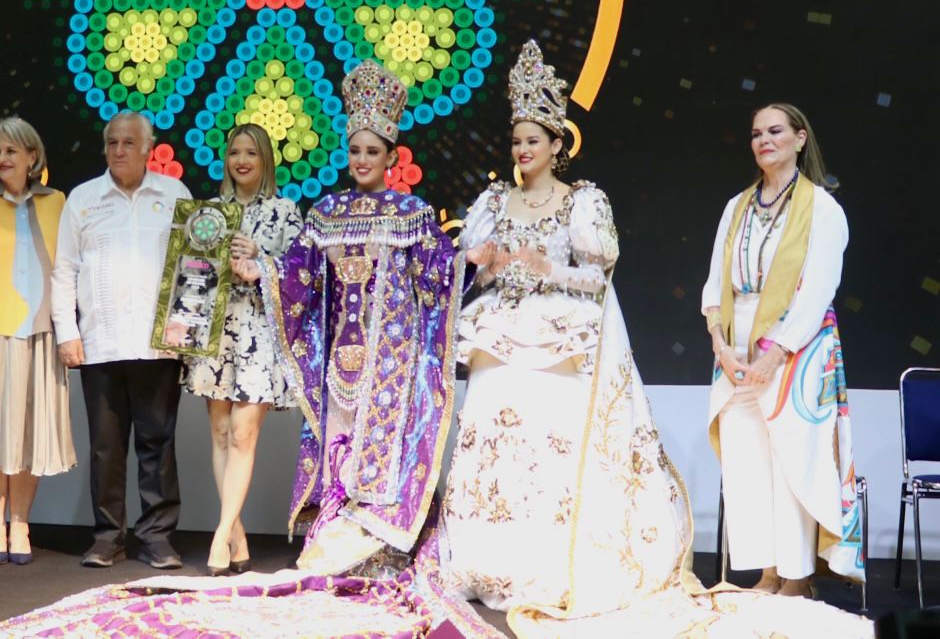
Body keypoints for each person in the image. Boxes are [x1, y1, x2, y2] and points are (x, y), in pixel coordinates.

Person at [441, 40, 692, 622]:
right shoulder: (493, 201)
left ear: (557, 144)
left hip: (557, 338)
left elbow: (598, 277)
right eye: (517, 141)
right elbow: (468, 266)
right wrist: (484, 263)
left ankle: (549, 564)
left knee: (547, 449)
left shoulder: (581, 202)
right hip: (497, 335)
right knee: (492, 448)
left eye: (534, 140)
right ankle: (487, 561)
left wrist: (547, 268)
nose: (523, 150)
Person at [233, 59, 462, 576]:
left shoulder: (411, 214)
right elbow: (298, 275)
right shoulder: (326, 213)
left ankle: (384, 538)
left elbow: (438, 276)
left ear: (391, 156)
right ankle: (339, 527)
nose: (362, 160)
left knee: (385, 446)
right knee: (340, 443)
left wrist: (467, 260)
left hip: (394, 362)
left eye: (372, 152)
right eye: (355, 150)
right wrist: (261, 270)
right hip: (340, 357)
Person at [702, 103, 861, 597]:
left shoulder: (822, 208)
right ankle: (767, 572)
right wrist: (721, 344)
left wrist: (776, 352)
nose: (764, 140)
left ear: (799, 138)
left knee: (793, 458)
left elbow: (817, 290)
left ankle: (797, 576)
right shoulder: (737, 206)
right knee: (746, 460)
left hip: (797, 348)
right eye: (756, 134)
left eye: (775, 131)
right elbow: (714, 283)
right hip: (736, 347)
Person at [52, 111, 191, 569]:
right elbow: (64, 270)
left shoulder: (174, 195)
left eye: (128, 143)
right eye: (112, 142)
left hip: (158, 346)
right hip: (101, 344)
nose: (118, 150)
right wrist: (67, 333)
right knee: (105, 448)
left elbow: (193, 268)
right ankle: (108, 537)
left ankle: (157, 538)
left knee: (158, 445)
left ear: (149, 149)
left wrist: (186, 330)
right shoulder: (84, 198)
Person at [0, 117, 75, 565]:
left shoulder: (58, 202)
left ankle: (21, 523)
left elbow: (68, 268)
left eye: (11, 151)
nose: (2, 159)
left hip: (42, 333)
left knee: (28, 433)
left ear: (31, 156)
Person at [182, 123, 302, 575]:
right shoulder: (209, 212)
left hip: (261, 334)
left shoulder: (286, 212)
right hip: (216, 332)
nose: (242, 160)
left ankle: (219, 537)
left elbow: (302, 277)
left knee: (242, 434)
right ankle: (237, 534)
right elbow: (189, 274)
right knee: (219, 433)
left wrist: (261, 257)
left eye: (251, 152)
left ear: (265, 159)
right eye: (235, 152)